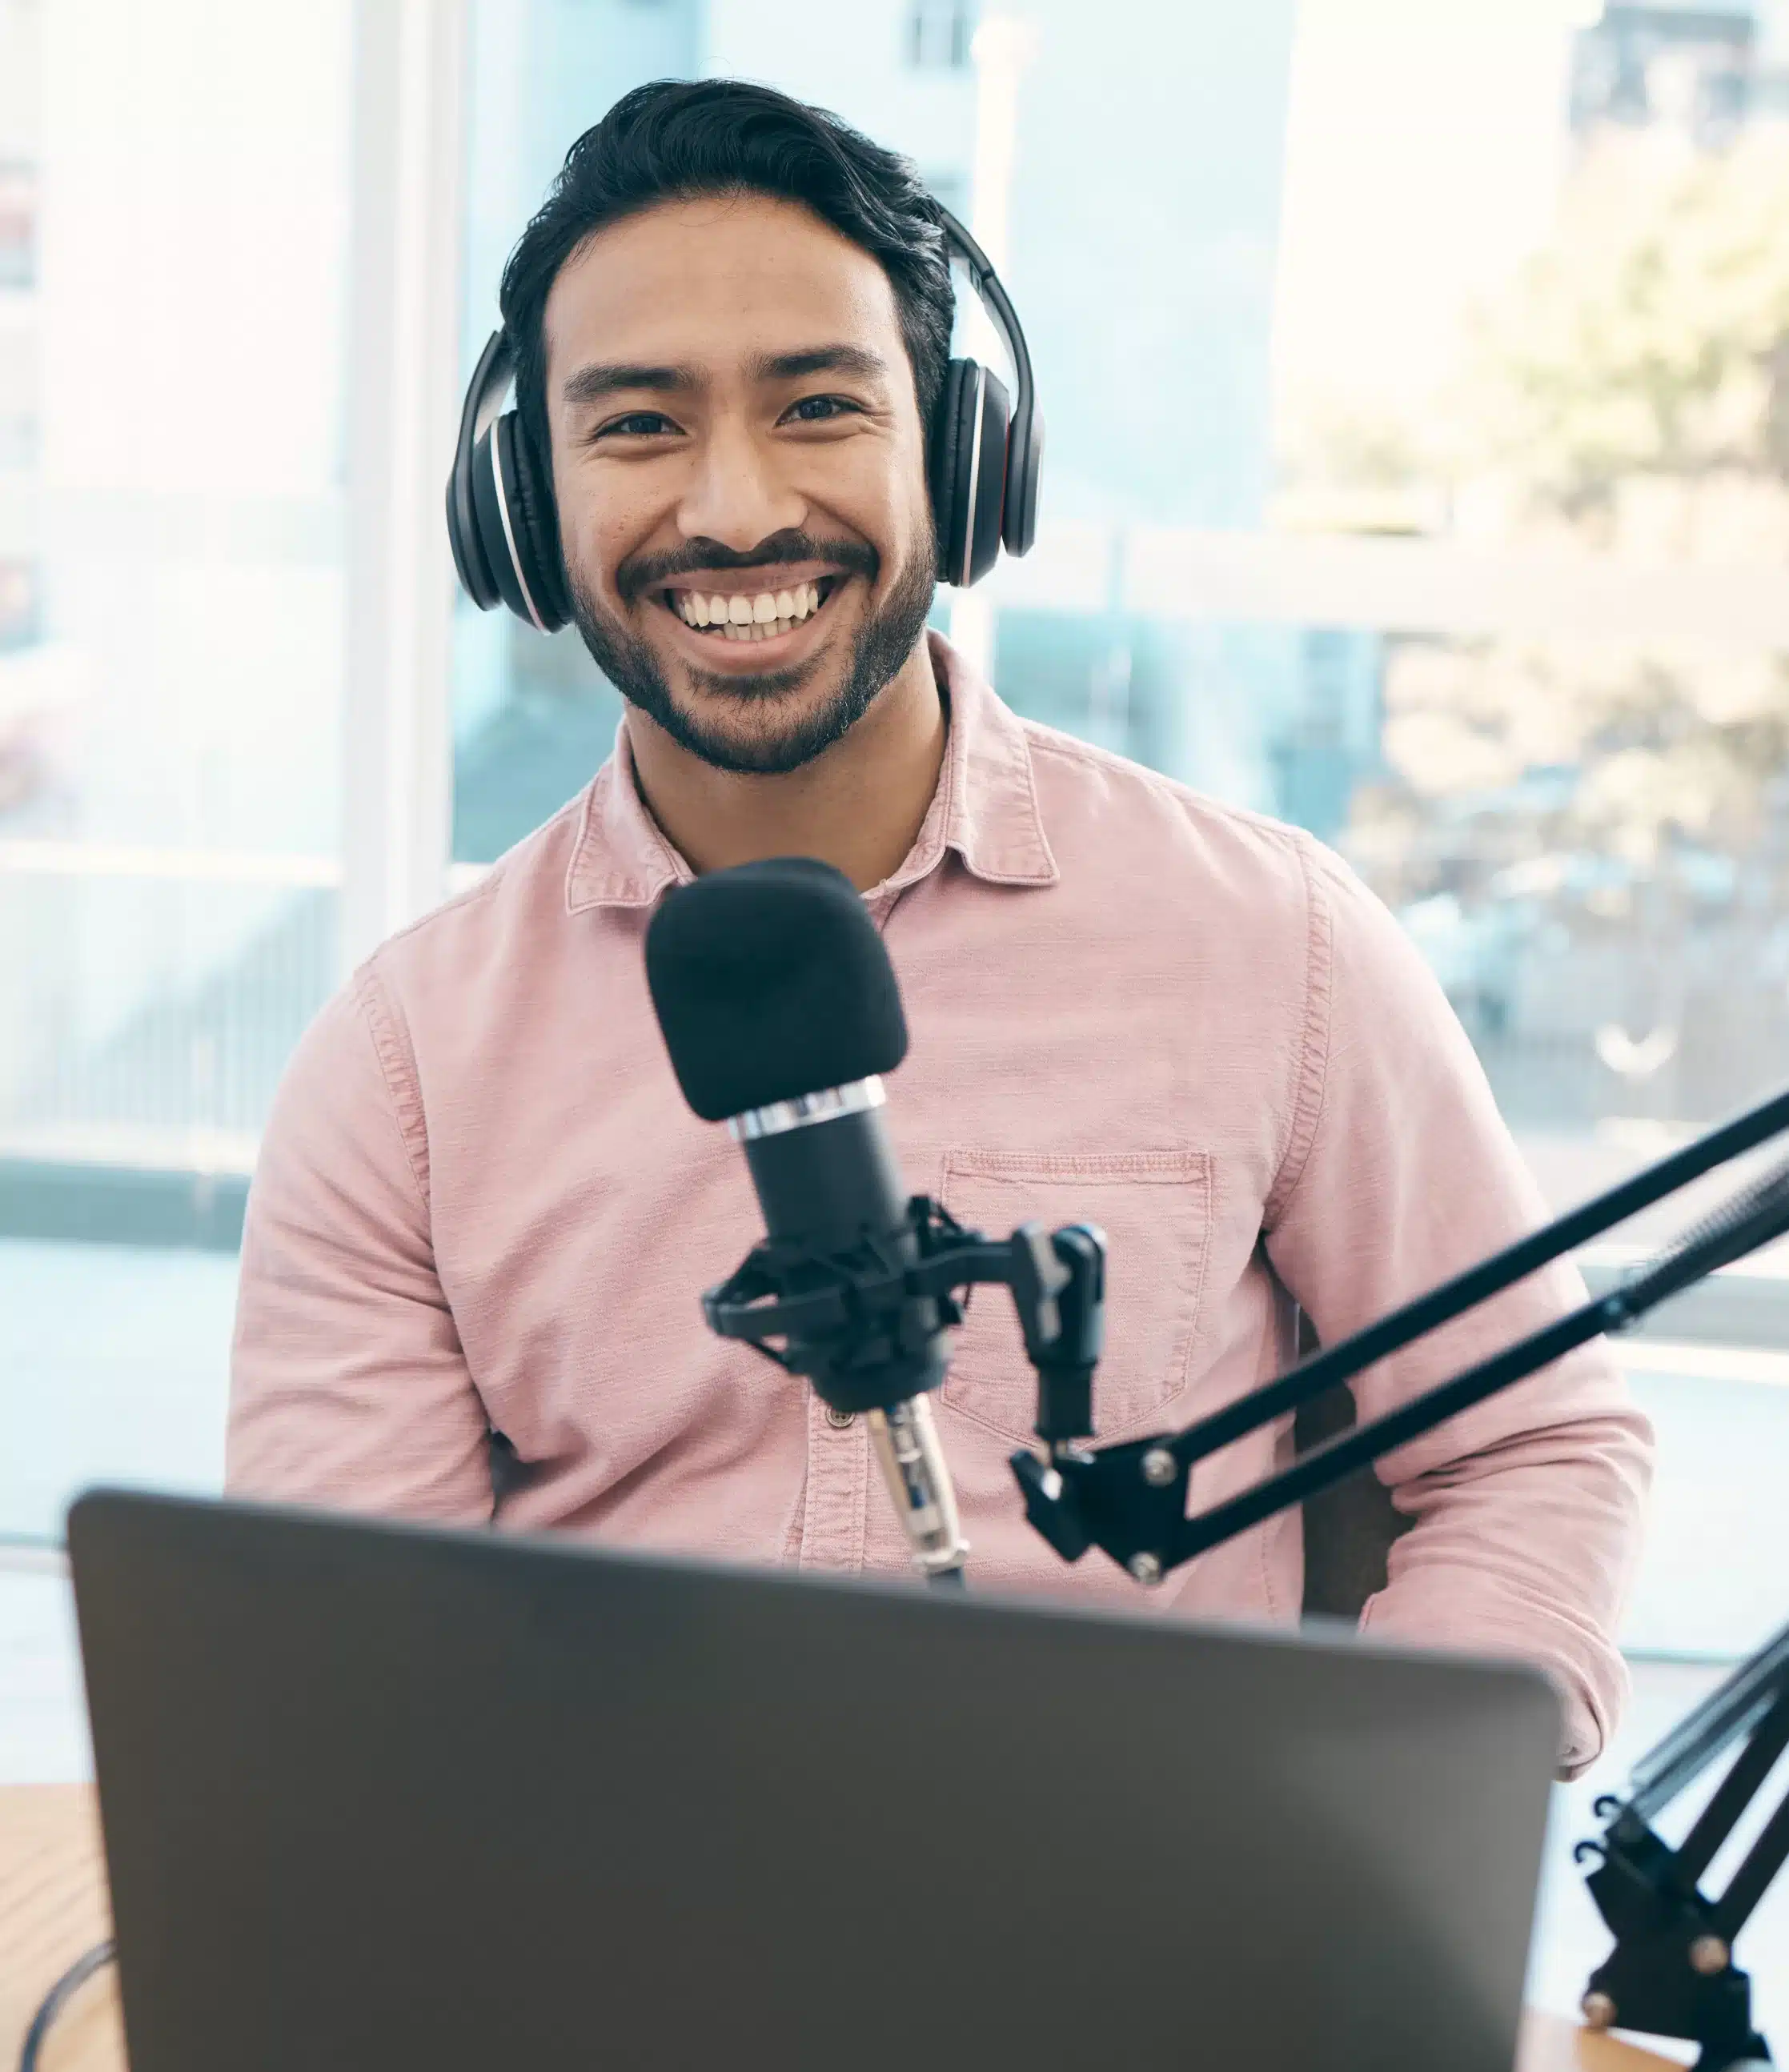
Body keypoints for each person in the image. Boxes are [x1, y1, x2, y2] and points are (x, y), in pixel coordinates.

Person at [227, 78, 1650, 1777]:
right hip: (625, 1897)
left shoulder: (1273, 945)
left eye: (819, 406)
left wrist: (1364, 1821)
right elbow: (353, 1664)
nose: (733, 509)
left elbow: (1529, 1446)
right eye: (638, 426)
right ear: (524, 505)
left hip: (1145, 1895)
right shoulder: (404, 1064)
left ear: (961, 457)